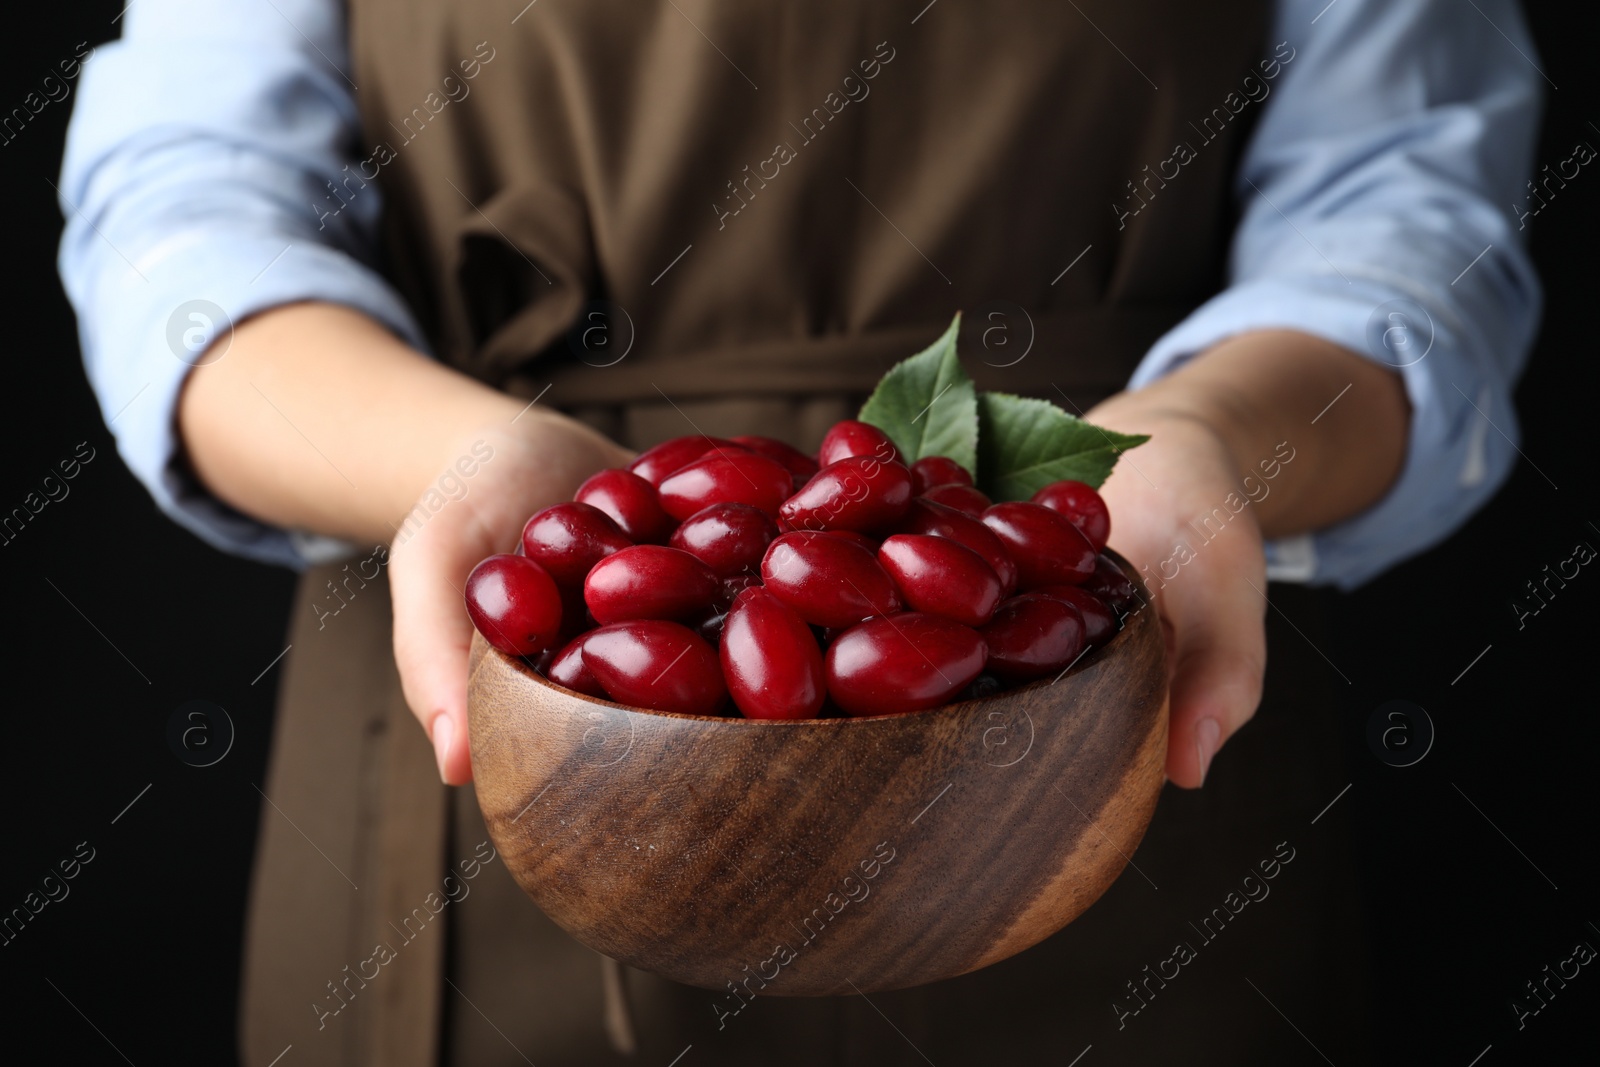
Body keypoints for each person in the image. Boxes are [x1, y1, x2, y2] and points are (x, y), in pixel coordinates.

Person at [59, 0, 1541, 1063]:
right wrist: (455, 461)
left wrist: (1208, 438)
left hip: (1105, 815)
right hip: (485, 866)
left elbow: (1413, 213)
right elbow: (181, 211)